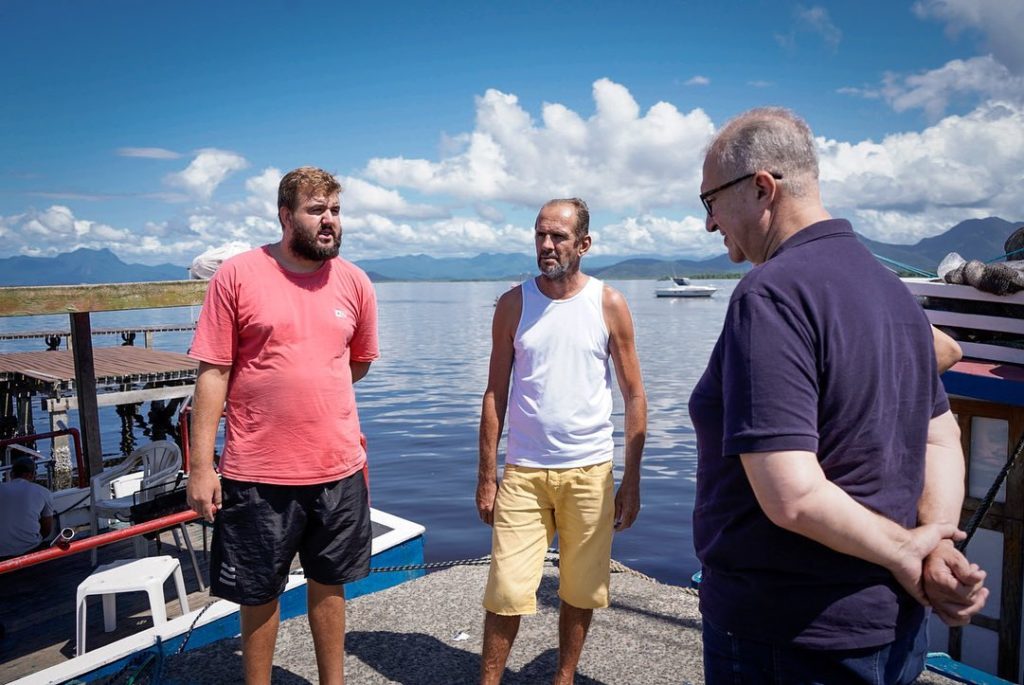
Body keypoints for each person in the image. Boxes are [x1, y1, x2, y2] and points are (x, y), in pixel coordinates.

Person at [689, 108, 987, 684]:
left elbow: (792, 494)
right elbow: (940, 436)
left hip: (789, 635)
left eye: (711, 201)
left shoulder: (770, 294)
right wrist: (934, 543)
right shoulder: (892, 292)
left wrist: (910, 552)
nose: (709, 223)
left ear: (762, 187)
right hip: (894, 628)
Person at [186, 166, 379, 685]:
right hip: (257, 471)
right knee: (257, 592)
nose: (329, 220)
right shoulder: (238, 276)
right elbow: (213, 373)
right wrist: (201, 467)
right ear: (285, 215)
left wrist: (309, 392)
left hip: (338, 468)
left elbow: (357, 362)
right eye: (316, 210)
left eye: (335, 210)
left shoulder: (355, 282)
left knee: (331, 584)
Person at [476, 198, 647, 685]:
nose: (547, 245)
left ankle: (564, 677)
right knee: (506, 589)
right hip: (523, 473)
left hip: (590, 470)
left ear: (584, 244)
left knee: (580, 587)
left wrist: (631, 481)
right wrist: (487, 476)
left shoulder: (608, 304)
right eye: (540, 234)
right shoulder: (514, 304)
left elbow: (635, 395)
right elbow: (495, 393)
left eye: (559, 236)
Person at [0, 456, 54, 560]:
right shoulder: (44, 492)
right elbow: (47, 530)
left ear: (11, 474)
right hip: (29, 549)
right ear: (32, 475)